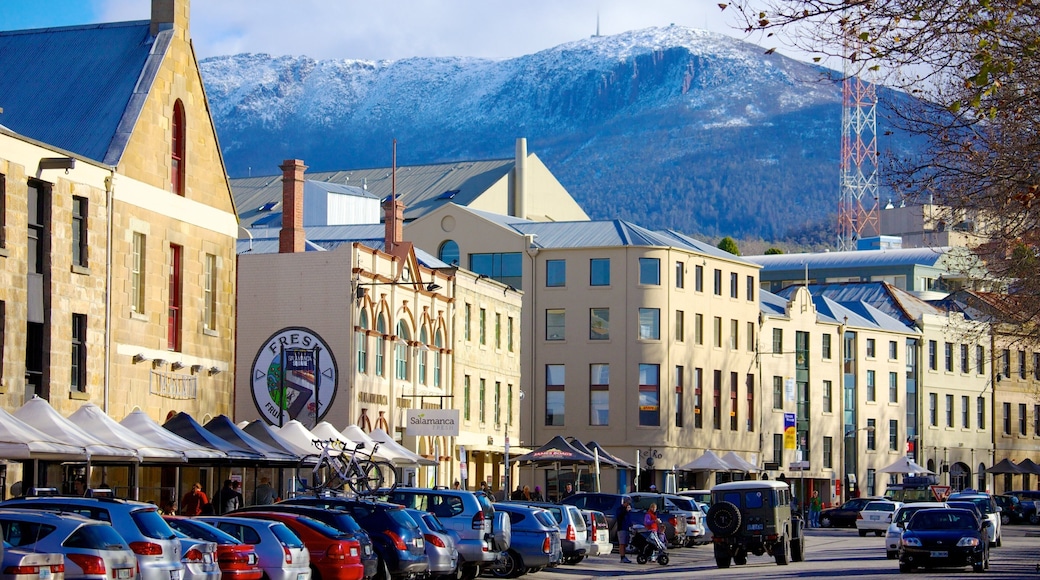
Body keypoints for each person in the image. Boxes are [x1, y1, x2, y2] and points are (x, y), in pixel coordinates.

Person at [616, 496, 634, 563]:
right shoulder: (620, 509)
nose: (628, 505)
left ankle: (624, 556)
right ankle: (622, 557)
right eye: (628, 503)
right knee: (622, 543)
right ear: (624, 502)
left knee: (625, 543)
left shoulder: (628, 510)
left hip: (627, 528)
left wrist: (631, 524)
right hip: (621, 528)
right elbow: (619, 517)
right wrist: (625, 511)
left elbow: (628, 518)